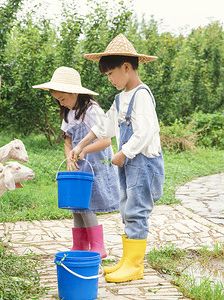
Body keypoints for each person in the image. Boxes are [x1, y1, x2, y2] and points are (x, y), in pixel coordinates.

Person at [69, 34, 165, 283]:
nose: (110, 79)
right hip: (130, 165)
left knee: (136, 212)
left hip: (143, 165)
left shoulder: (141, 95)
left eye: (111, 73)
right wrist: (80, 144)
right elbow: (104, 126)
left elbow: (145, 132)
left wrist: (124, 152)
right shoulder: (119, 98)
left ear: (126, 67)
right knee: (127, 210)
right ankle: (126, 260)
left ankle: (134, 266)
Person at [33, 66, 119, 258]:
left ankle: (98, 246)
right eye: (58, 101)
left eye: (63, 99)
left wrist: (84, 149)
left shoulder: (92, 110)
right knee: (76, 203)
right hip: (79, 163)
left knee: (87, 203)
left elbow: (105, 140)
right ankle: (79, 245)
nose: (61, 104)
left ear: (73, 93)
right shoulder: (69, 112)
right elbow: (68, 140)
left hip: (94, 163)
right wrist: (69, 157)